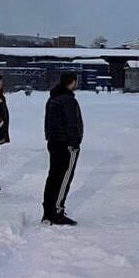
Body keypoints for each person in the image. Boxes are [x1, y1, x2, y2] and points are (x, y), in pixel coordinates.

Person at [42, 72, 83, 226]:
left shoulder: (53, 98)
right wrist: (75, 142)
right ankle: (56, 212)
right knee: (64, 178)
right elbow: (72, 124)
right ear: (72, 82)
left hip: (53, 142)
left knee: (53, 177)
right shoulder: (68, 100)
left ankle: (48, 212)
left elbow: (48, 122)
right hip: (66, 144)